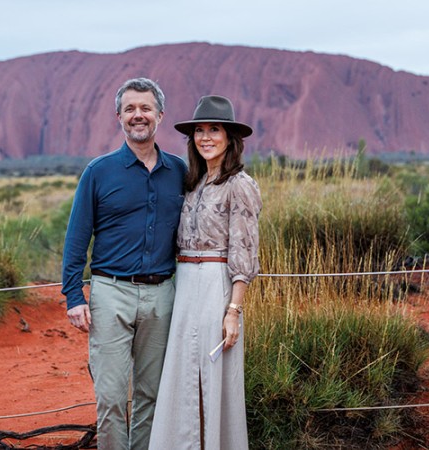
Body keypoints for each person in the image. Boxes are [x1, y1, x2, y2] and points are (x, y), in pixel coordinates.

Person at [62, 77, 187, 450]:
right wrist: (73, 295)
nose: (138, 115)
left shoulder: (179, 171)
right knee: (112, 397)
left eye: (146, 108)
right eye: (130, 108)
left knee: (151, 394)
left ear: (160, 115)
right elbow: (76, 238)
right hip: (110, 293)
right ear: (118, 116)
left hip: (162, 295)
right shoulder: (99, 172)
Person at [149, 95, 262, 449]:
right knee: (182, 373)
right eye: (199, 130)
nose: (206, 137)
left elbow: (244, 250)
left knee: (214, 375)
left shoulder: (239, 185)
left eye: (214, 129)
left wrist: (233, 310)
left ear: (230, 137)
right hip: (185, 283)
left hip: (217, 284)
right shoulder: (193, 183)